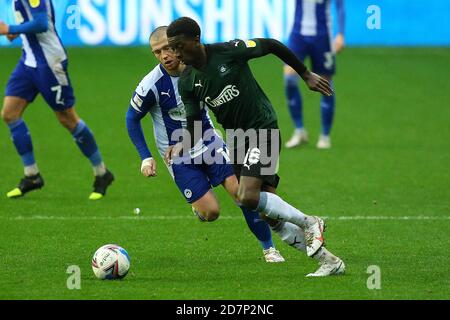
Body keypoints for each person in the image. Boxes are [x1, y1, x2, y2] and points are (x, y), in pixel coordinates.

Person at [166, 17, 345, 276]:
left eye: (180, 46)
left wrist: (305, 73)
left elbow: (271, 45)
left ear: (196, 40)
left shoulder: (229, 51)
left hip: (262, 128)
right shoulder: (187, 81)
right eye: (173, 48)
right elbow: (194, 125)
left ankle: (310, 222)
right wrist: (182, 144)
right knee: (268, 214)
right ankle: (329, 261)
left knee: (247, 195)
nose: (176, 53)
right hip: (236, 140)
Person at [126, 26, 285, 263]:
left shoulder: (200, 70)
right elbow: (131, 118)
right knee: (211, 213)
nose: (164, 56)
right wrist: (145, 156)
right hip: (178, 154)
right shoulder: (152, 84)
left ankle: (269, 248)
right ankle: (200, 208)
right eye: (157, 53)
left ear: (177, 46)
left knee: (242, 194)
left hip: (207, 140)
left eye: (167, 49)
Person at [0, 0, 114, 200]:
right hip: (28, 62)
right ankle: (32, 175)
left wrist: (10, 28)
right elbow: (32, 20)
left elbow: (42, 22)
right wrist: (17, 31)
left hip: (49, 65)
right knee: (10, 114)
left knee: (67, 118)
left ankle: (102, 173)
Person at [284, 0, 345, 149]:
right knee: (289, 79)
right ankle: (299, 131)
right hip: (298, 35)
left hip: (323, 37)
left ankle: (325, 136)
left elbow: (340, 6)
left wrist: (341, 34)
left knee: (325, 84)